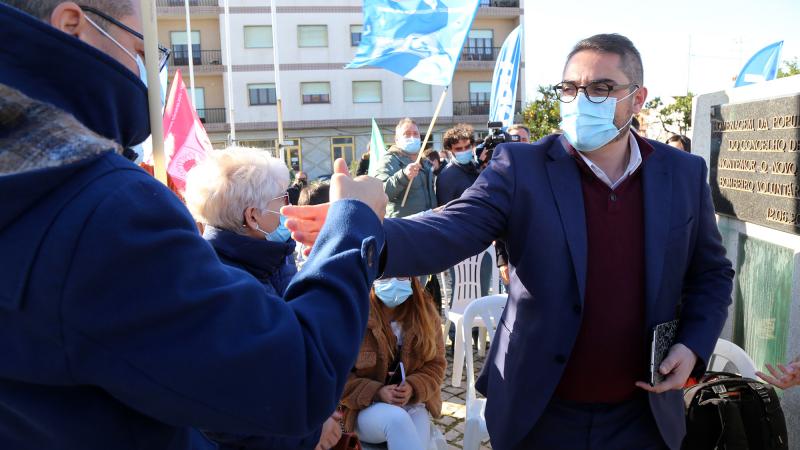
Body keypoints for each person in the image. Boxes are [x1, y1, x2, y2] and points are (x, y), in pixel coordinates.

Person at [284, 33, 734, 450]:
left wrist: (693, 344)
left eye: (600, 88)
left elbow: (712, 274)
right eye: (570, 88)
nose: (581, 100)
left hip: (642, 415)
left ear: (637, 98)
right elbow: (449, 230)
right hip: (541, 410)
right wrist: (359, 227)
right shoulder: (522, 167)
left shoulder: (682, 172)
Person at [0, 2, 388, 449]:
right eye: (139, 49)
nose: (148, 72)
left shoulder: (36, 180)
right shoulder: (102, 207)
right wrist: (354, 223)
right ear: (73, 25)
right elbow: (296, 376)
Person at [184, 147, 343, 449]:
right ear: (253, 216)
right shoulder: (223, 288)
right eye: (282, 199)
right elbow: (229, 411)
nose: (289, 206)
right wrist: (309, 433)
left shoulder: (271, 258)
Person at [340, 277, 445, 449]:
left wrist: (412, 386)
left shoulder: (425, 313)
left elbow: (436, 365)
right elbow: (338, 378)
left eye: (401, 275)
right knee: (397, 420)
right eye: (386, 276)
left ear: (412, 277)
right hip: (361, 408)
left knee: (418, 423)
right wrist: (377, 392)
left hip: (411, 403)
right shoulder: (355, 313)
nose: (394, 281)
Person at [375, 118, 437, 218]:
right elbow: (379, 193)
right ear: (397, 139)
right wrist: (403, 176)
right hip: (403, 224)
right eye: (407, 134)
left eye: (415, 134)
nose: (412, 137)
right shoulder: (389, 160)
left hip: (427, 221)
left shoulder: (425, 162)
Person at [436, 123, 480, 207]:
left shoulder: (476, 167)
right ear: (450, 150)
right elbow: (444, 209)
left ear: (472, 145)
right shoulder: (446, 176)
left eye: (467, 147)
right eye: (458, 149)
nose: (464, 151)